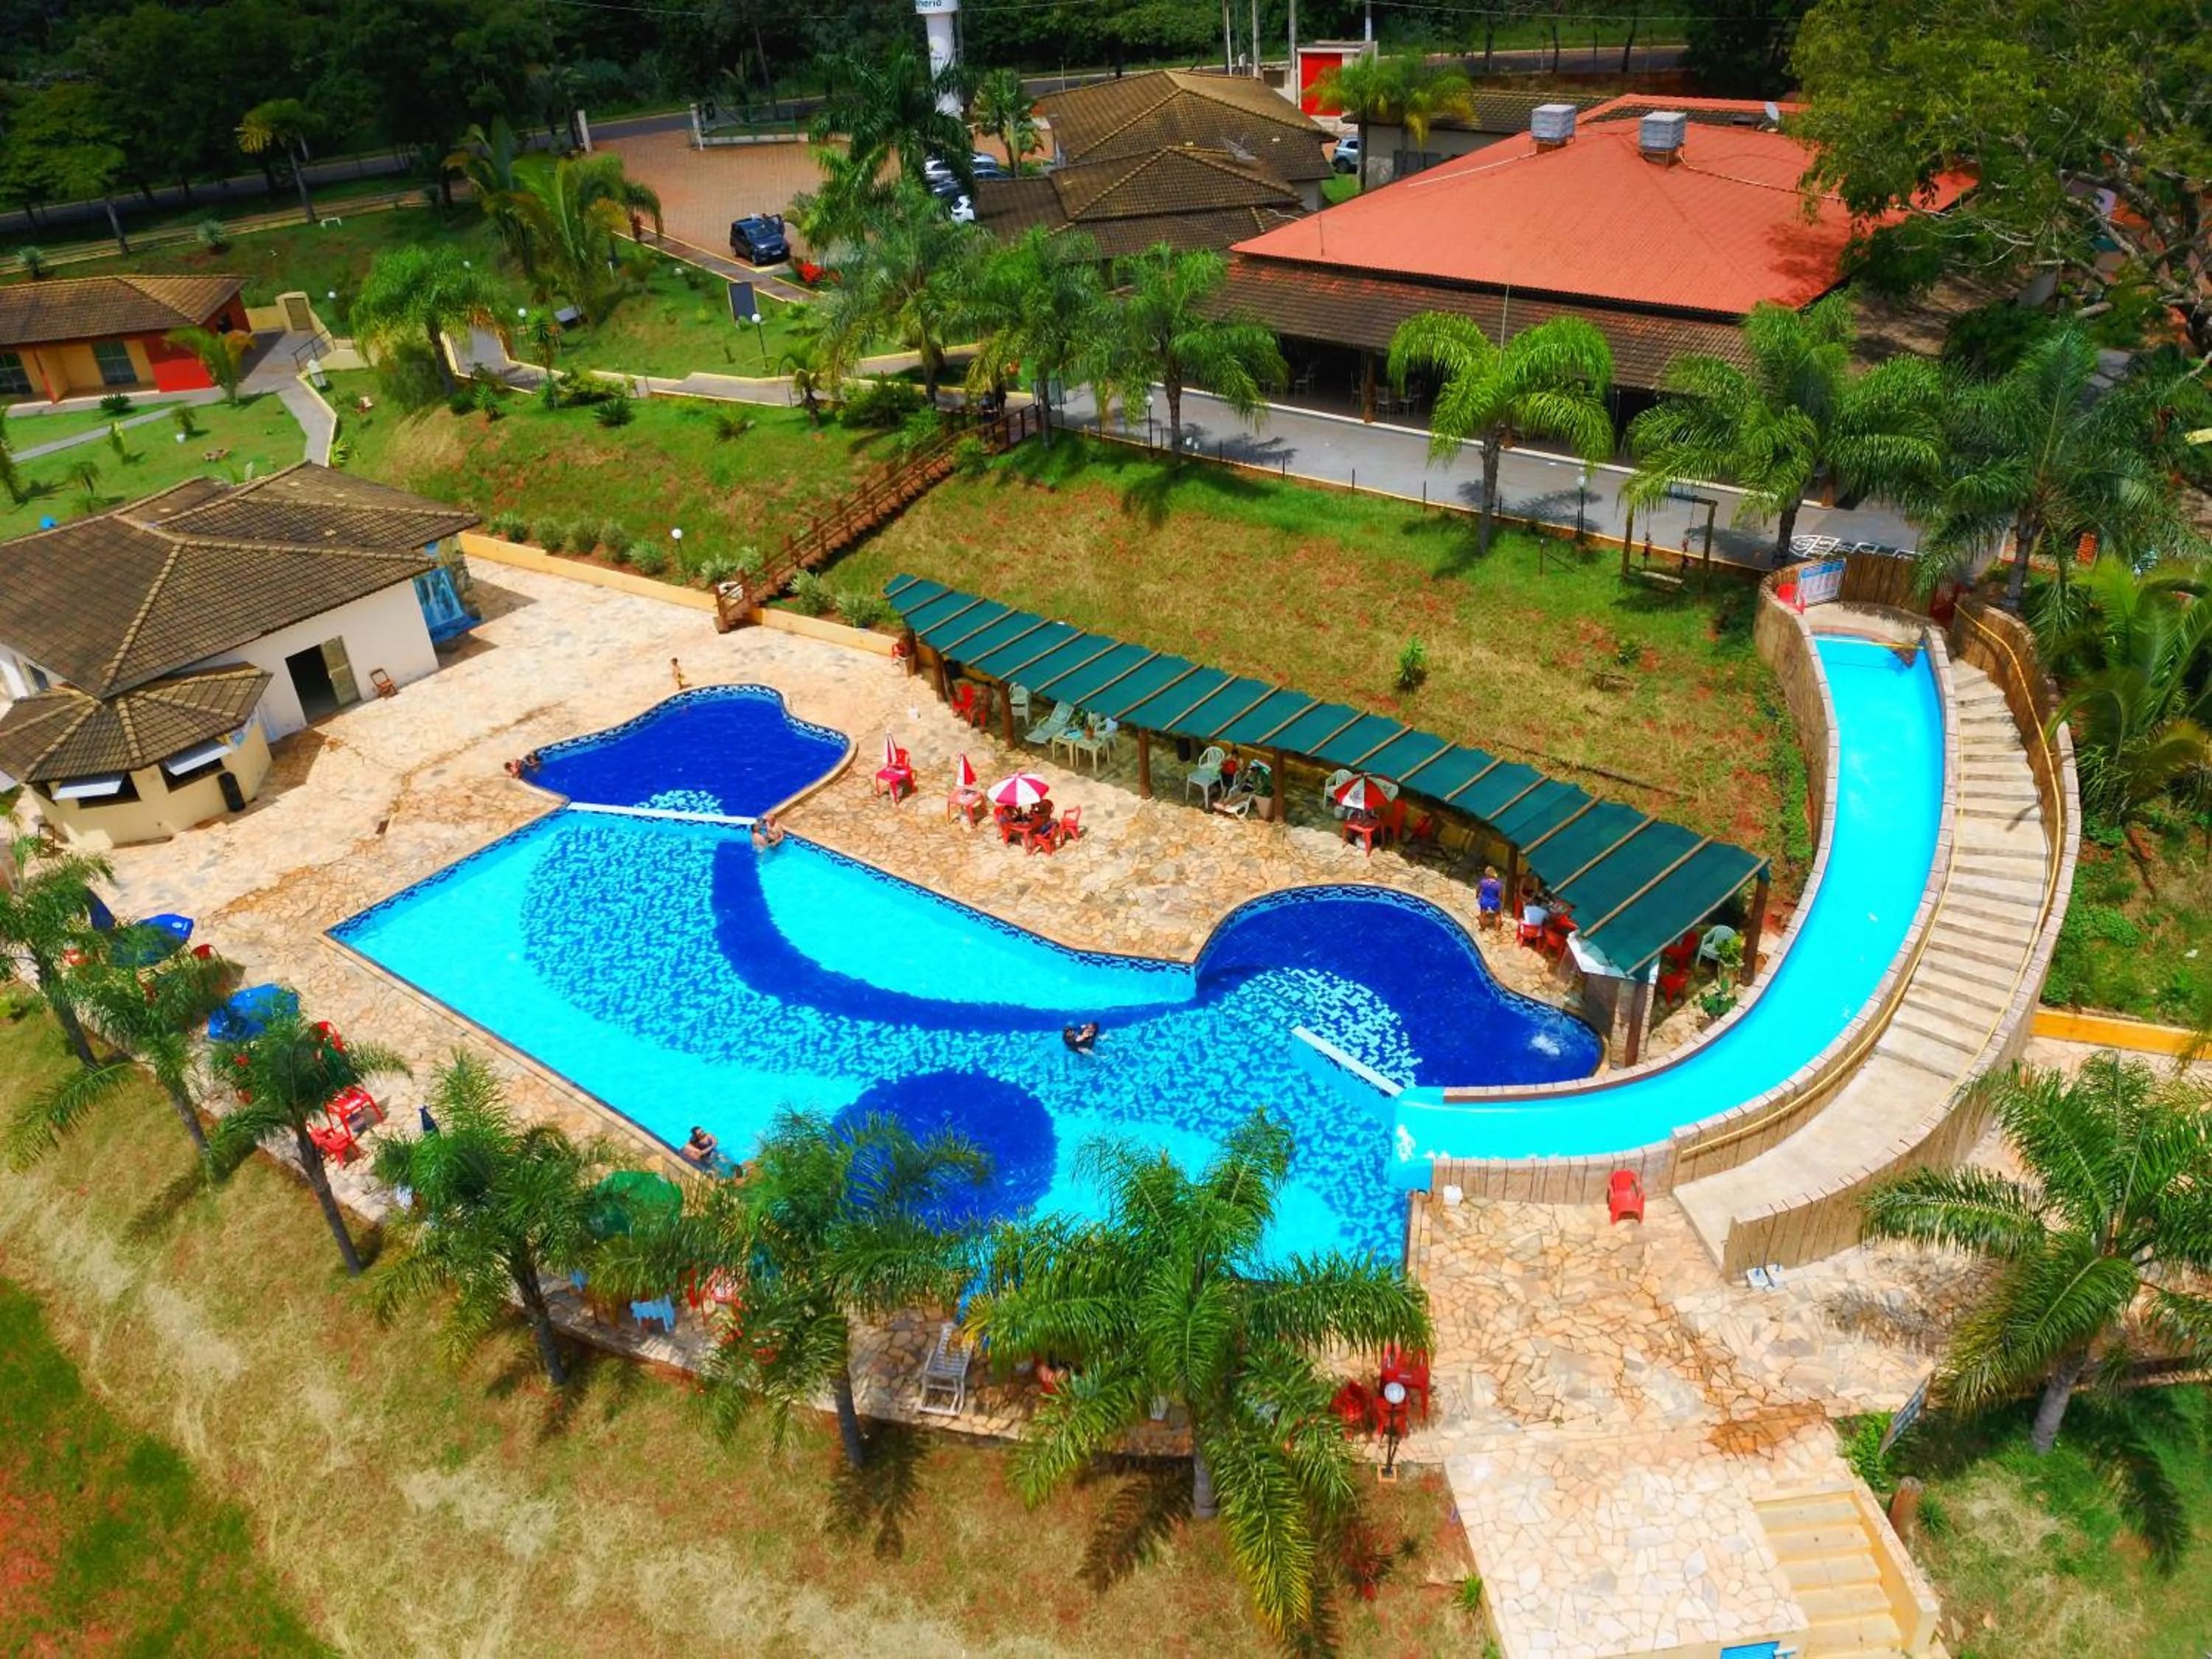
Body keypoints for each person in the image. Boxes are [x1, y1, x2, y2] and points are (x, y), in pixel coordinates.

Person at [1476, 866, 1503, 931]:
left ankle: (1482, 928)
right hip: (1494, 902)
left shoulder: (1483, 882)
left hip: (1484, 901)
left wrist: (1477, 896)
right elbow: (1500, 896)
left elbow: (1478, 890)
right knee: (1498, 915)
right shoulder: (1499, 884)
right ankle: (1497, 930)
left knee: (1482, 915)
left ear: (1486, 874)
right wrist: (1500, 902)